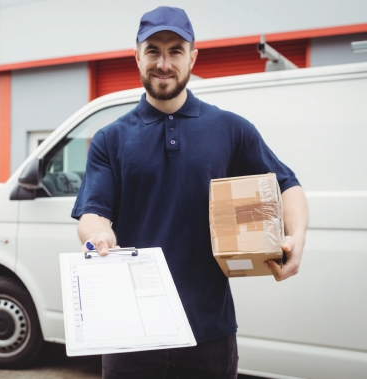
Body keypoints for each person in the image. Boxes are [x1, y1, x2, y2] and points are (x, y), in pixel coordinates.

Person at [72, 6, 308, 379]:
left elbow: (287, 185)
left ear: (192, 58)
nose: (163, 63)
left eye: (175, 51)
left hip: (209, 334)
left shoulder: (230, 129)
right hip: (132, 336)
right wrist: (99, 235)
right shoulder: (110, 139)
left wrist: (296, 238)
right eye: (153, 50)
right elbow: (93, 212)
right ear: (136, 56)